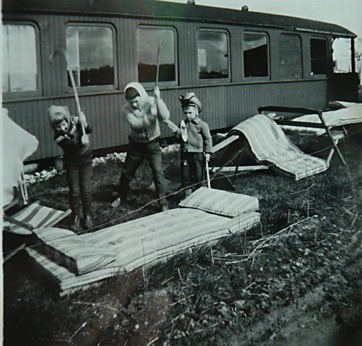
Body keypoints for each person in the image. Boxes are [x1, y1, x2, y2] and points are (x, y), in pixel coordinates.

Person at [111, 82, 170, 211]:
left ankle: (163, 202)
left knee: (158, 172)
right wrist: (149, 117)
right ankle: (121, 196)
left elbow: (165, 116)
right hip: (136, 145)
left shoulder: (151, 101)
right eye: (131, 102)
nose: (134, 105)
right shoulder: (126, 109)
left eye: (136, 101)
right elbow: (136, 125)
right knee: (127, 172)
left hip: (153, 143)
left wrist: (158, 99)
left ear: (141, 96)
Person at [48, 105, 93, 231]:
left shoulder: (76, 121)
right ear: (54, 127)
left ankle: (87, 215)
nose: (62, 128)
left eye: (63, 124)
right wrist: (81, 141)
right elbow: (72, 146)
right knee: (74, 191)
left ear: (67, 120)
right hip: (72, 163)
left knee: (86, 188)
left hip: (86, 160)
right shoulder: (58, 137)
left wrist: (84, 123)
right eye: (58, 127)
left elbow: (89, 129)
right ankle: (76, 217)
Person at [176, 92, 212, 196]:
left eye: (190, 113)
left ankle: (201, 194)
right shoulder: (183, 124)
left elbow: (208, 139)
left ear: (196, 112)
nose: (187, 115)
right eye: (185, 113)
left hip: (197, 154)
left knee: (198, 174)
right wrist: (177, 134)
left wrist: (208, 152)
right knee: (186, 175)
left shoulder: (202, 125)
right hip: (185, 153)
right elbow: (180, 139)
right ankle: (187, 195)